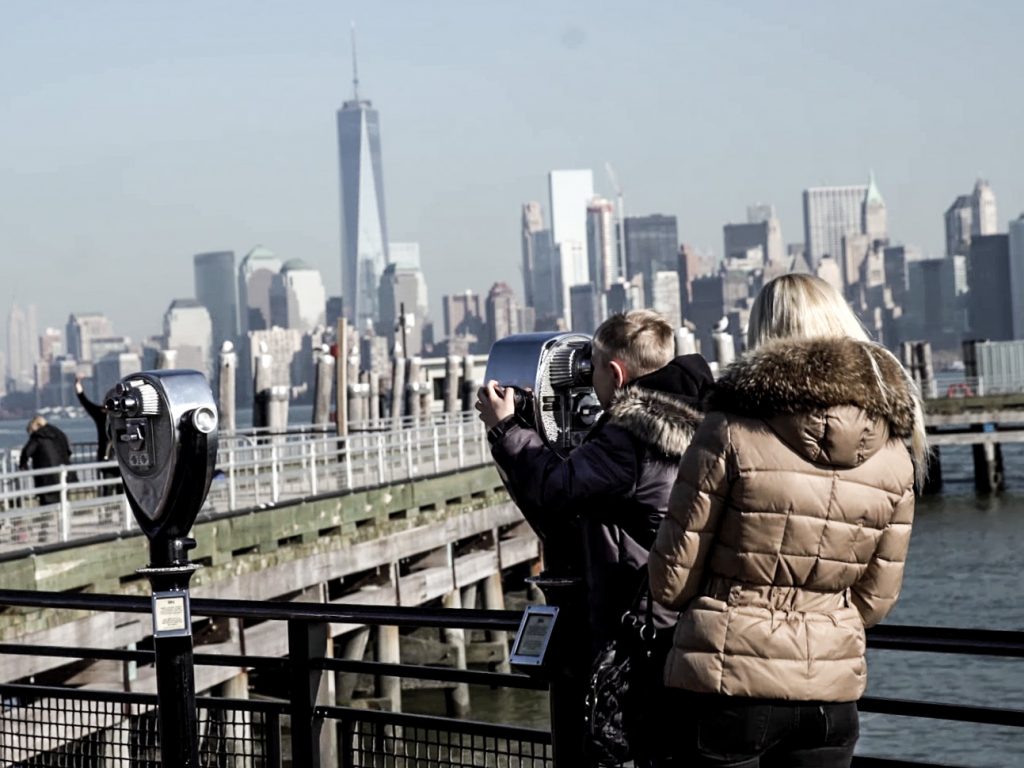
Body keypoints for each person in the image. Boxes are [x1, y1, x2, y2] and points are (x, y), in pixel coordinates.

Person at [649, 274, 927, 767]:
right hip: (830, 696)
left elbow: (671, 580)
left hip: (729, 683)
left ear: (765, 334)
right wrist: (819, 621)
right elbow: (876, 599)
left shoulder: (729, 430)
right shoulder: (892, 452)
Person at [476, 309, 714, 766]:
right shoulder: (702, 418)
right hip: (683, 618)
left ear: (617, 372)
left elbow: (556, 491)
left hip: (633, 622)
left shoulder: (628, 437)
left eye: (592, 368)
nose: (588, 382)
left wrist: (506, 428)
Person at [75, 374, 120, 495]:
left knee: (108, 488)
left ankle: (109, 513)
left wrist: (78, 386)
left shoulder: (100, 414)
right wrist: (78, 386)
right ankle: (118, 512)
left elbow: (84, 401)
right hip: (119, 456)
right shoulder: (120, 414)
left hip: (107, 456)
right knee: (119, 488)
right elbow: (85, 401)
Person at [19, 415, 74, 506]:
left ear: (37, 426)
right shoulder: (59, 433)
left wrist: (23, 464)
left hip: (46, 476)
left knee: (48, 502)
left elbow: (27, 451)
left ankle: (49, 519)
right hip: (64, 473)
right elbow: (68, 450)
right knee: (63, 499)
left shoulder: (38, 436)